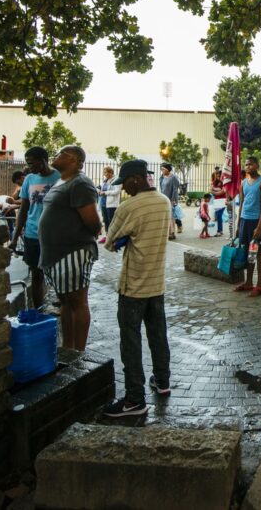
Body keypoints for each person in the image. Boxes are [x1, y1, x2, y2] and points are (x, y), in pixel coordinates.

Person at [102, 159, 172, 418]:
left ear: (135, 179)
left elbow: (109, 242)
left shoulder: (129, 206)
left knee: (130, 342)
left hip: (133, 286)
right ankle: (163, 382)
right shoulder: (164, 201)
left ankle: (134, 399)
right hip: (157, 282)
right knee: (158, 335)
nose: (124, 190)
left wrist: (126, 237)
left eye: (125, 184)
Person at [38, 145, 101, 351]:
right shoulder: (61, 181)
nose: (55, 156)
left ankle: (79, 351)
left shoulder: (80, 183)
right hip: (55, 253)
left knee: (76, 300)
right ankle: (68, 347)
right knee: (65, 301)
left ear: (73, 159)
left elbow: (93, 222)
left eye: (60, 154)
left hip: (73, 251)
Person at [9, 147, 61, 309]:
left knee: (57, 271)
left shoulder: (59, 177)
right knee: (36, 273)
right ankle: (39, 310)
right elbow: (23, 210)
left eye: (31, 163)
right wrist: (15, 237)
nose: (29, 167)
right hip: (32, 233)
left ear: (43, 160)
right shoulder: (30, 180)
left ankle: (63, 304)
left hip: (54, 234)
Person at [234, 156, 261, 297]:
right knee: (248, 252)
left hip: (256, 221)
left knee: (258, 251)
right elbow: (241, 203)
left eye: (250, 164)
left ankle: (260, 285)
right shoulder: (243, 183)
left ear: (257, 165)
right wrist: (238, 224)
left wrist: (260, 226)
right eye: (246, 165)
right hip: (244, 220)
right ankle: (248, 282)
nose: (247, 167)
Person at [159, 163, 182, 238]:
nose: (162, 171)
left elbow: (175, 189)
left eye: (163, 169)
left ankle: (172, 233)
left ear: (167, 169)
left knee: (171, 217)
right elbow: (161, 188)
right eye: (161, 169)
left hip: (171, 200)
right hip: (164, 199)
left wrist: (173, 200)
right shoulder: (162, 177)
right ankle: (168, 232)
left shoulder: (173, 177)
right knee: (167, 217)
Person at [210, 169, 227, 237]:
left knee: (219, 215)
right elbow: (211, 190)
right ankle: (220, 230)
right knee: (217, 215)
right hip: (216, 201)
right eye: (217, 176)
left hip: (222, 200)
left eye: (219, 176)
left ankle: (219, 231)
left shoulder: (224, 183)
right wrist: (215, 193)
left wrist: (214, 192)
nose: (218, 177)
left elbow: (222, 192)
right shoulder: (214, 183)